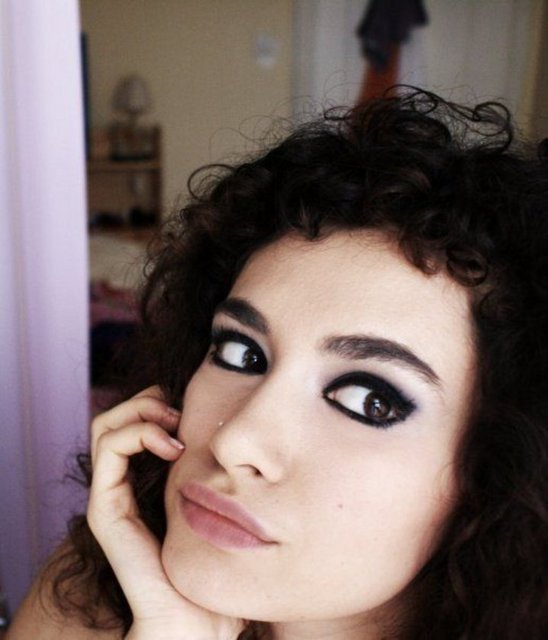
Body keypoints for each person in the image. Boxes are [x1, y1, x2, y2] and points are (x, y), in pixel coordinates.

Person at [7, 88, 548, 639]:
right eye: (240, 353)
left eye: (369, 401)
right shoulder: (91, 596)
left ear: (497, 472)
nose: (235, 440)